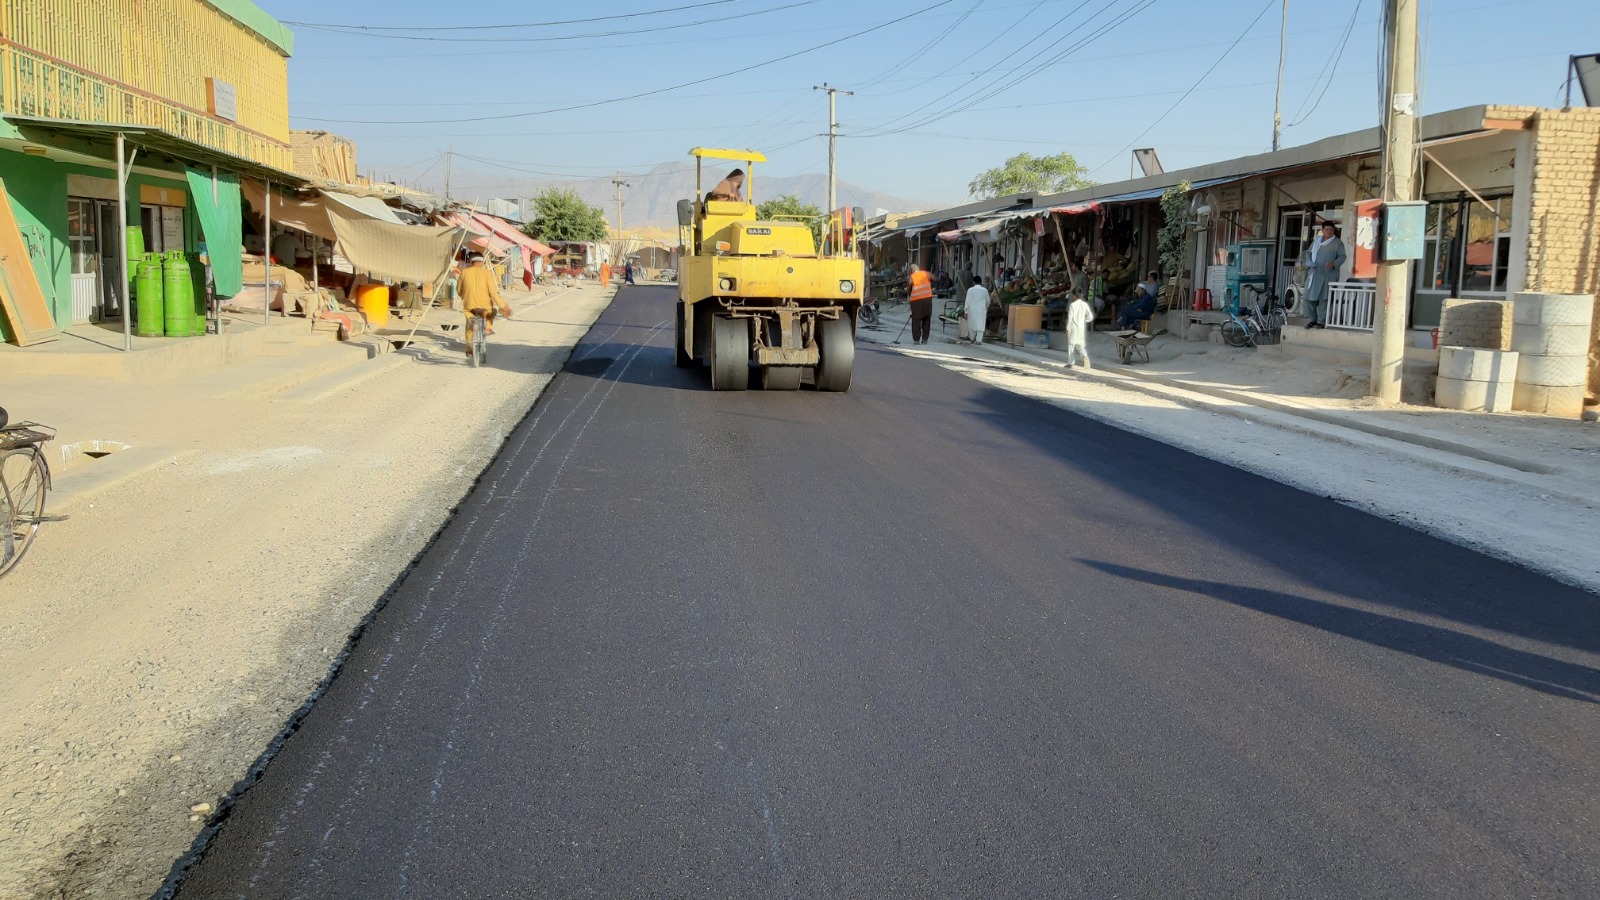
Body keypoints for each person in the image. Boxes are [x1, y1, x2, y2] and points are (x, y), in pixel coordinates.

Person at [457, 253, 511, 359]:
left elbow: (459, 290)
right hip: (485, 306)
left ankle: (469, 350)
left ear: (471, 262)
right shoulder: (487, 273)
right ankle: (488, 328)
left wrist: (463, 296)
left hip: (469, 306)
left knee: (469, 326)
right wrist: (503, 306)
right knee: (491, 312)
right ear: (482, 262)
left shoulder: (464, 272)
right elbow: (493, 293)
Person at [1302, 221, 1345, 328]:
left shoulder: (1337, 243)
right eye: (1327, 229)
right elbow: (1309, 252)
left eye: (1331, 229)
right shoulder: (1317, 241)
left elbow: (1342, 257)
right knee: (1307, 297)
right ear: (1322, 230)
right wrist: (1308, 262)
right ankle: (1313, 319)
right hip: (1314, 274)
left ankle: (1321, 321)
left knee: (1324, 299)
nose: (1329, 231)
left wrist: (1334, 263)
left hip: (1328, 275)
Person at [907, 263, 934, 344]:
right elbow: (934, 280)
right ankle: (925, 339)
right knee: (926, 319)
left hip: (916, 302)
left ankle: (916, 339)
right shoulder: (926, 274)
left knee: (916, 321)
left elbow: (909, 288)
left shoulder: (912, 277)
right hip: (927, 301)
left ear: (912, 270)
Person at [1065, 293, 1093, 369]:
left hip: (1073, 328)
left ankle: (1070, 363)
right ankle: (1085, 358)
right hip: (1081, 328)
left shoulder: (1072, 305)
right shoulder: (1085, 305)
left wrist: (1067, 329)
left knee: (1071, 346)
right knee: (1080, 346)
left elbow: (1070, 318)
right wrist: (1084, 320)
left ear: (1075, 296)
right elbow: (1090, 316)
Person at [963, 274, 991, 344]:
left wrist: (966, 311)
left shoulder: (970, 290)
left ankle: (972, 338)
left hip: (971, 310)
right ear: (981, 282)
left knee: (972, 324)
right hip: (981, 310)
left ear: (973, 282)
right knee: (981, 324)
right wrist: (986, 307)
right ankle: (979, 340)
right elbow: (988, 301)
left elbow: (967, 301)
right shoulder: (984, 290)